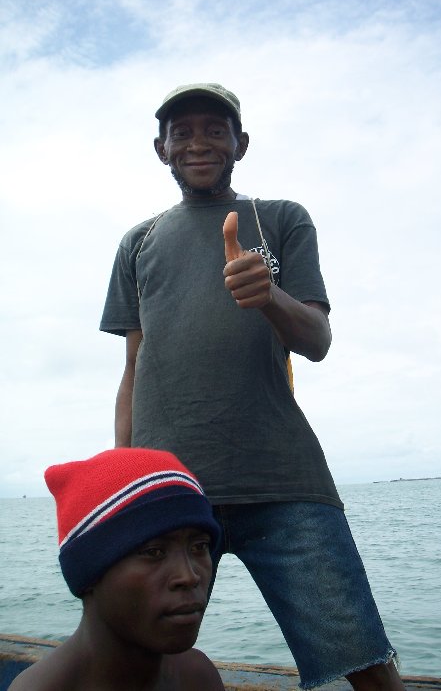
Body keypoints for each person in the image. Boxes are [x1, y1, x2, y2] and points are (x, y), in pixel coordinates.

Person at [100, 82, 405, 690]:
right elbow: (134, 366)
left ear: (240, 144)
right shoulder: (138, 242)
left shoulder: (282, 219)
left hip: (283, 481)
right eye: (182, 133)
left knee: (365, 660)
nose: (198, 143)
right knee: (131, 664)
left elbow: (316, 340)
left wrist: (269, 295)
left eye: (215, 130)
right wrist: (123, 473)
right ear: (161, 148)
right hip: (170, 487)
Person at [8, 448, 225, 691]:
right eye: (154, 552)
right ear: (90, 570)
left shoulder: (197, 676)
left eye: (199, 547)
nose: (189, 576)